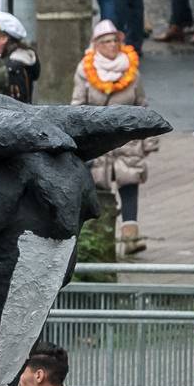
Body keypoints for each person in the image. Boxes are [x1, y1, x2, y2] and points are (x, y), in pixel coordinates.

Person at [74, 20, 156, 255]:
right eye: (106, 41)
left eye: (115, 41)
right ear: (97, 45)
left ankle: (131, 238)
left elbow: (142, 105)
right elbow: (77, 106)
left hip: (127, 140)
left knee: (129, 183)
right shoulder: (85, 71)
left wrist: (149, 140)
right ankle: (99, 241)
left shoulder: (132, 70)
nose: (112, 45)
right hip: (98, 142)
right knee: (98, 188)